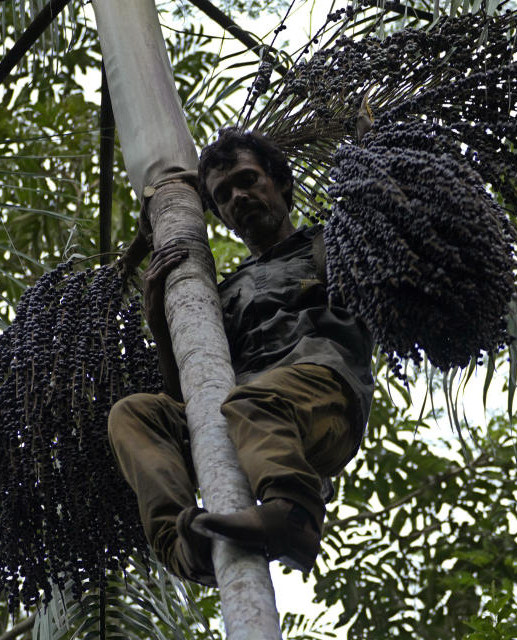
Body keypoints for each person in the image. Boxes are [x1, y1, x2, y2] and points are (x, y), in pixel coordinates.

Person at [107, 129, 374, 586]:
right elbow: (189, 390)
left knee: (252, 400)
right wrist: (159, 323)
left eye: (248, 180)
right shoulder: (221, 294)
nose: (239, 196)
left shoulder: (330, 244)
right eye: (224, 194)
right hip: (242, 418)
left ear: (280, 183)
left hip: (322, 398)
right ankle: (187, 548)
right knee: (135, 414)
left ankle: (295, 518)